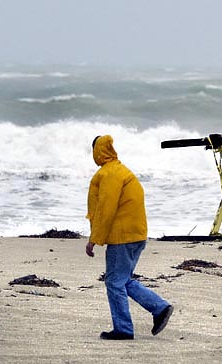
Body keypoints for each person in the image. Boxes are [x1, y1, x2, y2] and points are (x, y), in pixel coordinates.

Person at [85, 135, 174, 340]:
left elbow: (106, 210)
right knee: (123, 280)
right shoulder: (121, 170)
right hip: (137, 235)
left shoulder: (109, 174)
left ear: (97, 151)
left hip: (122, 237)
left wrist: (94, 239)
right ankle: (160, 308)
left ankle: (123, 329)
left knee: (115, 282)